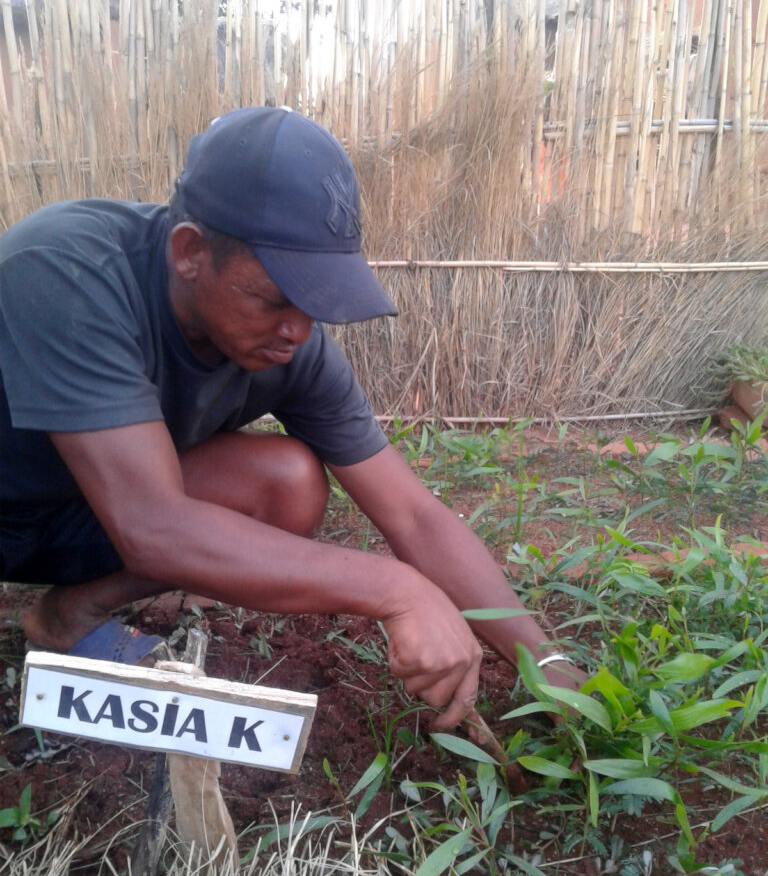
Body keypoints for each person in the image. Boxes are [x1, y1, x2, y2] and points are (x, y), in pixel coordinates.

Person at [0, 106, 581, 730]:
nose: (297, 332)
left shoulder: (292, 348)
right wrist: (397, 589)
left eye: (313, 301)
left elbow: (412, 513)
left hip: (87, 514)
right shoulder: (69, 270)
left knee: (289, 481)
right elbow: (153, 526)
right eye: (273, 298)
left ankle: (69, 617)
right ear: (189, 252)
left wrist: (539, 656)